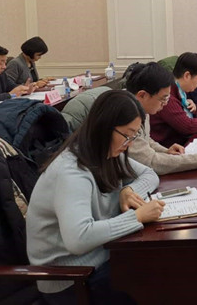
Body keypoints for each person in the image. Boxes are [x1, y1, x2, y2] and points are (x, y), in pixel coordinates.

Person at [26, 89, 165, 305]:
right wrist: (136, 217)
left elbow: (149, 174)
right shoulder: (71, 171)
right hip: (71, 278)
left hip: (102, 256)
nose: (129, 143)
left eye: (133, 136)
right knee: (154, 283)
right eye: (127, 135)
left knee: (162, 270)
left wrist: (128, 191)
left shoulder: (108, 153)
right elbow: (79, 239)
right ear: (104, 128)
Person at [123, 61, 197, 173]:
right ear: (142, 95)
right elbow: (152, 163)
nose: (165, 103)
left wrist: (165, 151)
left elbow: (146, 140)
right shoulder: (126, 117)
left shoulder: (142, 108)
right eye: (163, 99)